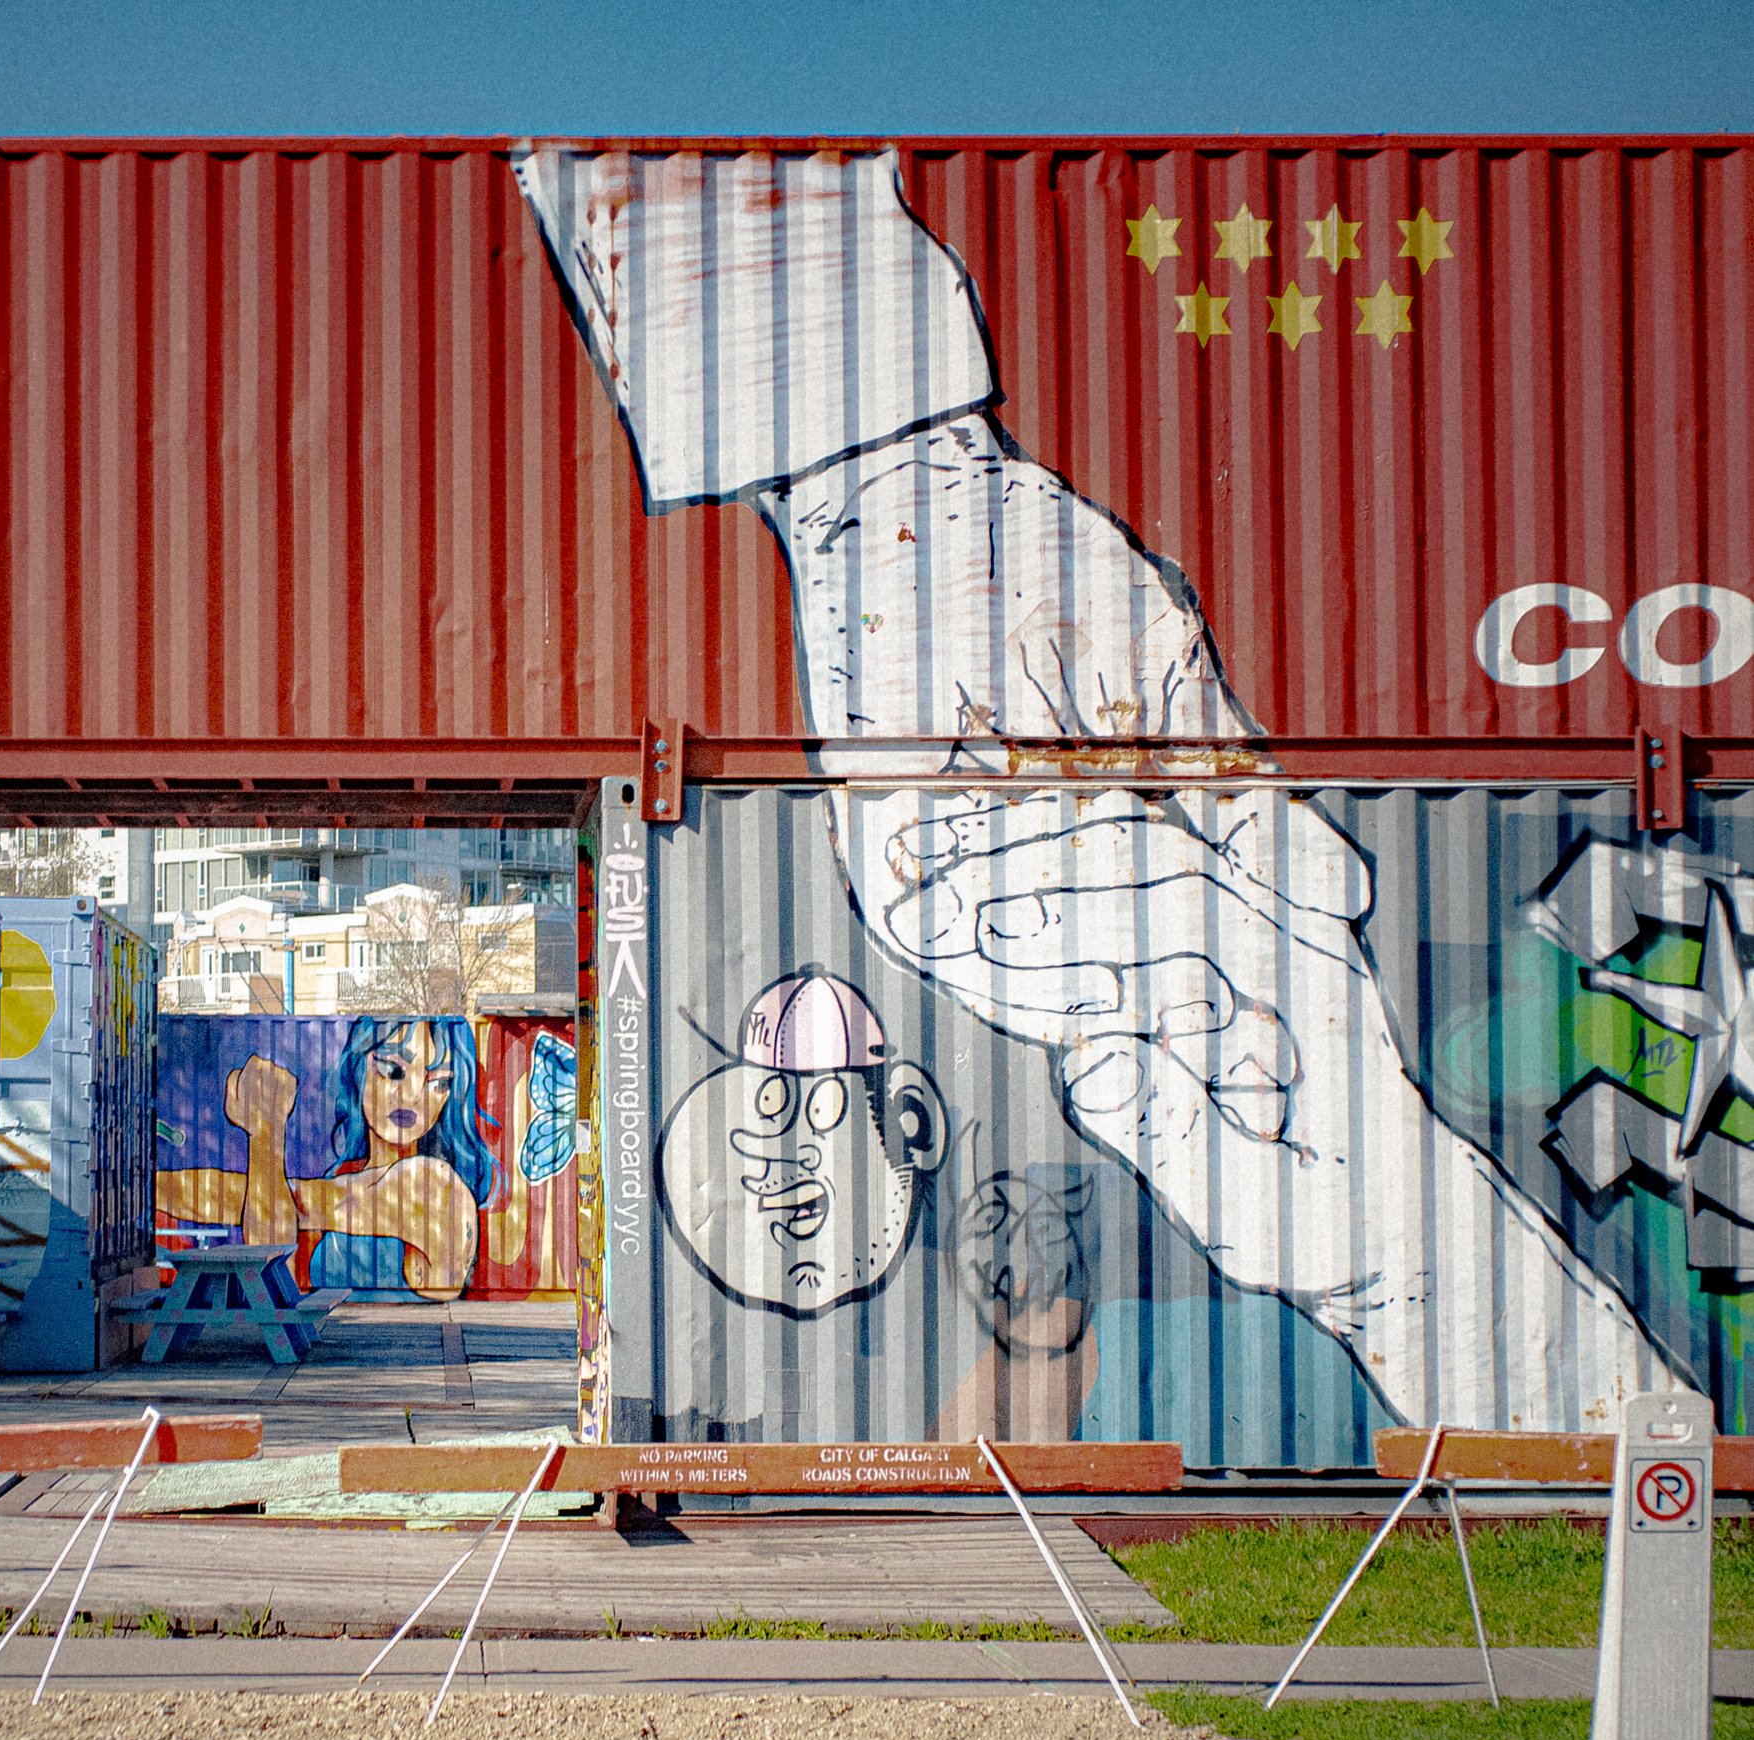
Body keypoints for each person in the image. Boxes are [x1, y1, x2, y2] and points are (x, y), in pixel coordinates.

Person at [515, 144, 1683, 1430]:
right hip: (922, 627)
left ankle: (1559, 1398)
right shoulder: (941, 598)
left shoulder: (927, 626)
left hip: (922, 653)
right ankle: (1541, 1380)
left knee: (1293, 1109)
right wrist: (1391, 1270)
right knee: (1310, 1140)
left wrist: (903, 518)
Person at [156, 1017, 498, 1301]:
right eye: (393, 1071)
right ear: (357, 1071)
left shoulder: (435, 1187)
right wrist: (139, 1188)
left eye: (438, 1083)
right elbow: (244, 1203)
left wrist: (265, 1133)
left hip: (389, 1358)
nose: (411, 1096)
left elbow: (275, 1230)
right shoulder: (343, 1177)